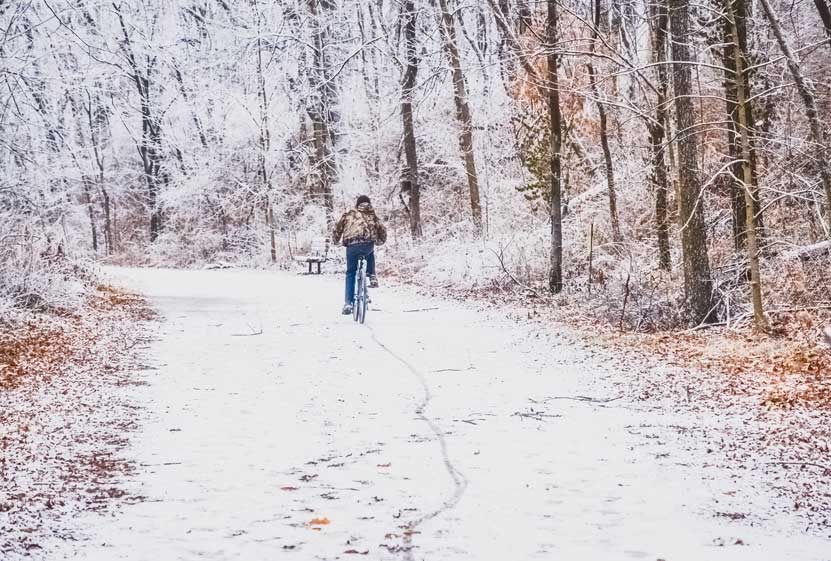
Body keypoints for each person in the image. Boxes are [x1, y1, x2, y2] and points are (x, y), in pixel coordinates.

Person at [332, 195, 387, 315]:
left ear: (357, 204)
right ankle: (372, 275)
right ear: (369, 203)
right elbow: (382, 230)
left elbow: (338, 228)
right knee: (370, 251)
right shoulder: (372, 214)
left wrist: (335, 240)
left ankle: (348, 303)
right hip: (367, 246)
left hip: (352, 246)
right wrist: (380, 241)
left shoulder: (349, 214)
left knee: (351, 272)